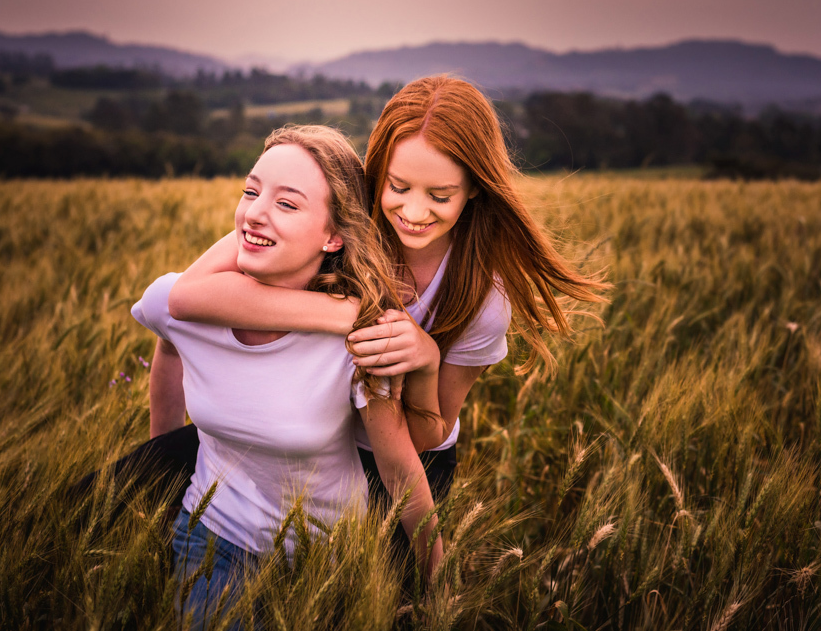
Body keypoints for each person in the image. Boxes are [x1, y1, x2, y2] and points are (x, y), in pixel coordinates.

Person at [165, 75, 607, 518]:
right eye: (398, 187)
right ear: (376, 173)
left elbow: (430, 435)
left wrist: (427, 360)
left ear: (474, 187)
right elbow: (188, 297)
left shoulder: (483, 297)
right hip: (290, 441)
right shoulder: (332, 222)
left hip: (406, 467)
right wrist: (346, 312)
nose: (414, 214)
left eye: (440, 195)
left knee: (393, 584)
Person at [131, 125, 442, 628]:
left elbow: (401, 471)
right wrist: (162, 453)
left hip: (334, 555)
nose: (254, 212)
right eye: (251, 192)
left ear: (335, 235)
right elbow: (168, 343)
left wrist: (436, 581)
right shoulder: (182, 303)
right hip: (212, 541)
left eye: (287, 204)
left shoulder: (360, 342)